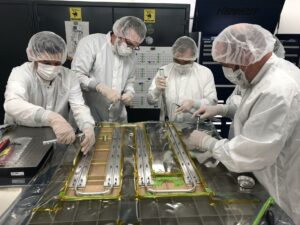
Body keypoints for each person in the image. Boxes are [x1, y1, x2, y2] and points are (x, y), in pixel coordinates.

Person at [186, 23, 300, 224]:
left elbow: (251, 152)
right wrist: (223, 109)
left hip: (284, 190)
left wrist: (208, 143)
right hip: (268, 176)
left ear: (246, 57)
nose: (226, 72)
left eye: (226, 65)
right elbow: (252, 108)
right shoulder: (265, 75)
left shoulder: (277, 88)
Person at [4, 31, 95, 155]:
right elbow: (12, 104)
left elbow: (78, 106)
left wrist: (87, 126)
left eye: (57, 63)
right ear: (33, 57)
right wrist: (52, 117)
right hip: (21, 133)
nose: (52, 67)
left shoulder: (69, 76)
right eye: (46, 63)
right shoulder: (21, 73)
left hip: (55, 134)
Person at [71, 16, 147, 122]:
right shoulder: (92, 43)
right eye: (129, 44)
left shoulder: (131, 55)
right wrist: (98, 86)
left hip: (118, 117)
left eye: (135, 46)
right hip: (90, 116)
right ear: (119, 33)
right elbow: (75, 76)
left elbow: (130, 79)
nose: (131, 49)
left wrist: (129, 92)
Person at [147, 36, 217, 122]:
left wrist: (194, 103)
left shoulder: (205, 73)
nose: (181, 64)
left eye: (186, 62)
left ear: (194, 57)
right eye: (178, 60)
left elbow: (212, 102)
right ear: (173, 56)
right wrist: (157, 90)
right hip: (169, 125)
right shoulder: (164, 71)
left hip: (196, 127)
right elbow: (150, 101)